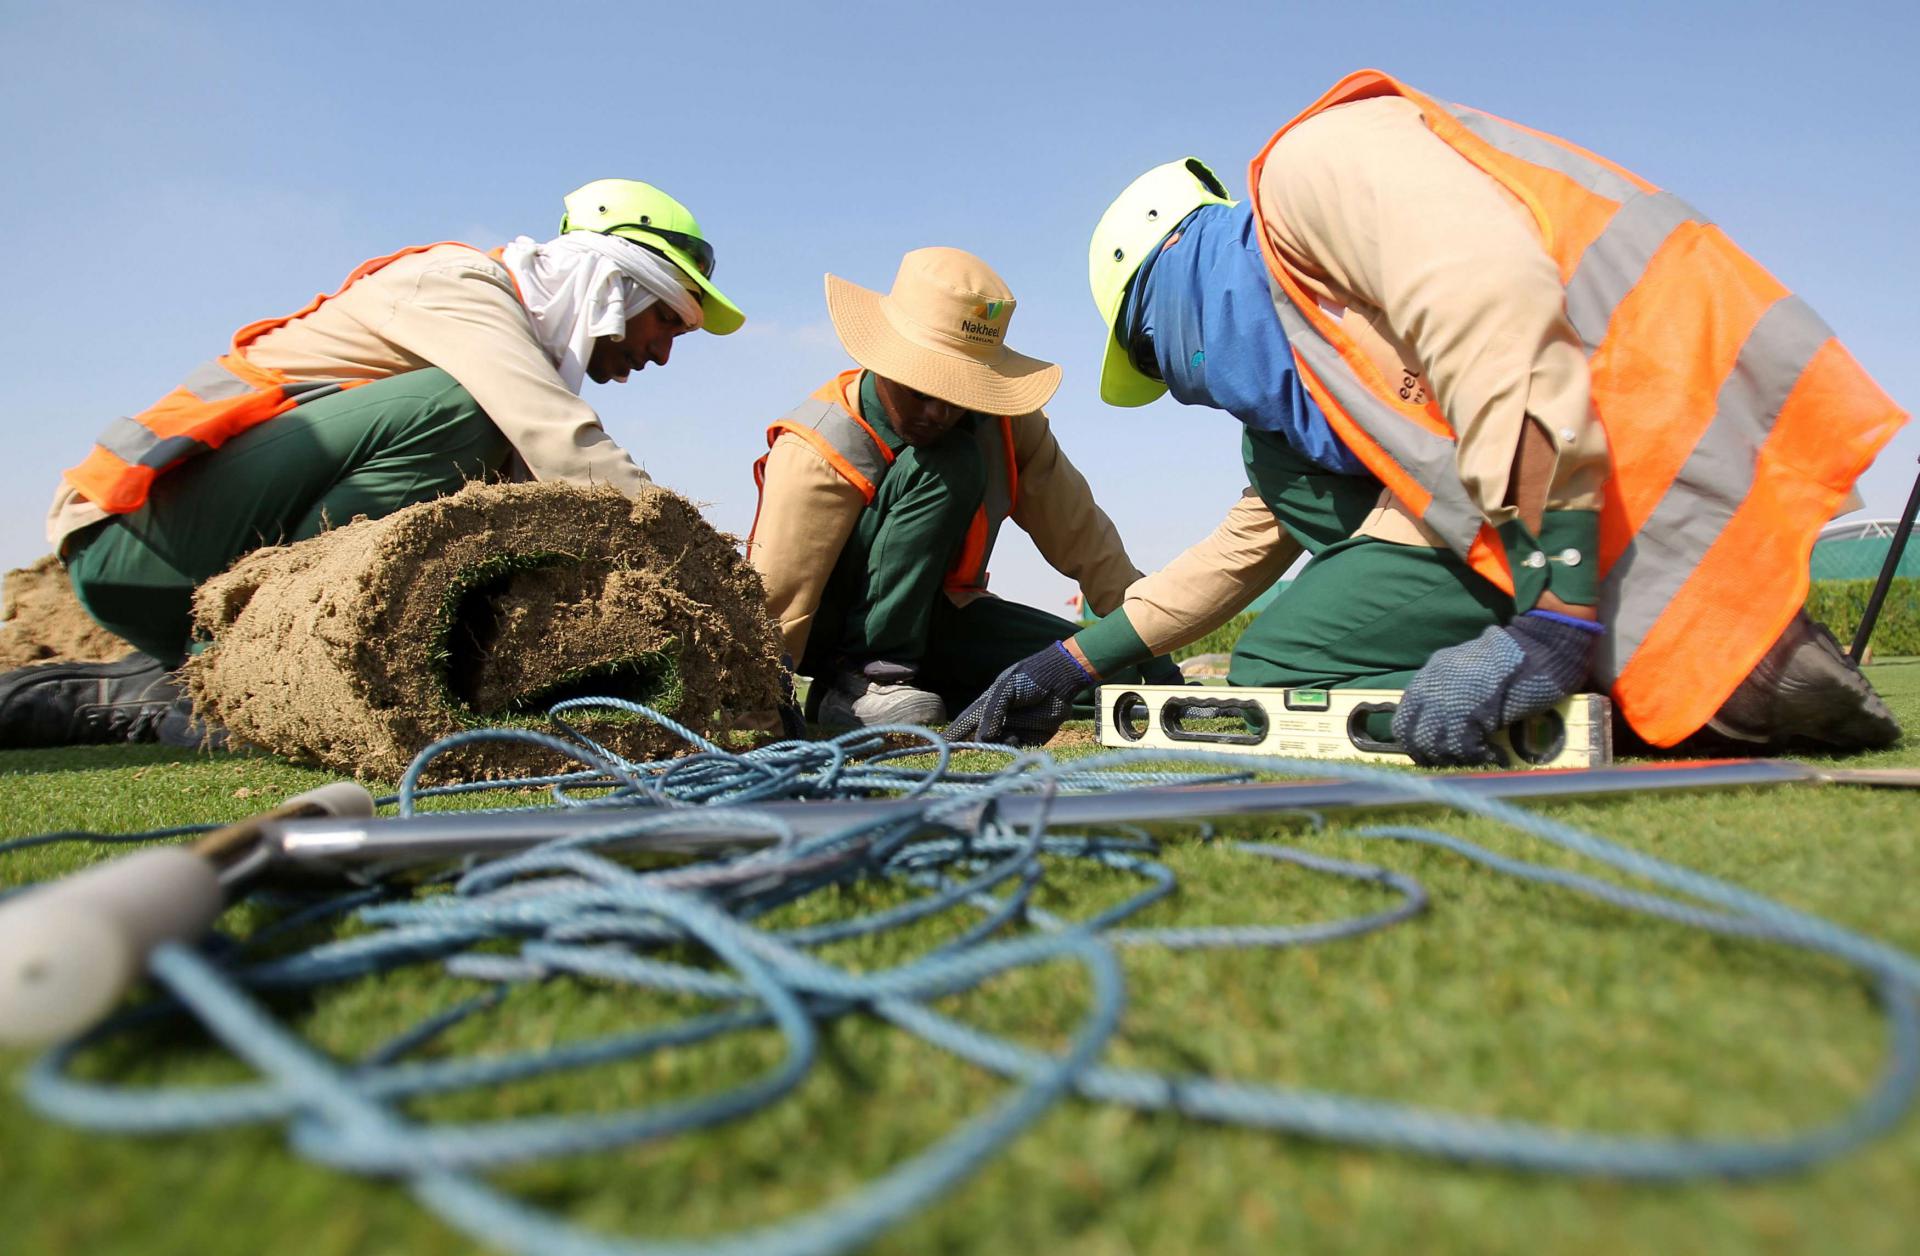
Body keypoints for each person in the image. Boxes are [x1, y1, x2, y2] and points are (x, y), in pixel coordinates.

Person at [950, 69, 1906, 760]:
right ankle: (1683, 684)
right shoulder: (1327, 376)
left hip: (1641, 440)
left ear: (1175, 292)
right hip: (1621, 503)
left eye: (1160, 358)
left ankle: (1585, 670)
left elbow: (1487, 300)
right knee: (1281, 522)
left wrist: (1558, 609)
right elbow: (1234, 554)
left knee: (1279, 666)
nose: (1185, 389)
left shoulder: (1309, 169)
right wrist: (1068, 663)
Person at [0, 179, 745, 748]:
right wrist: (719, 577)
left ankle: (168, 684)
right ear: (612, 286)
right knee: (468, 410)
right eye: (665, 321)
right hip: (137, 532)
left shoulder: (506, 337)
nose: (660, 351)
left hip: (180, 548)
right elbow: (564, 444)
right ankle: (240, 658)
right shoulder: (459, 289)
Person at [746, 246, 1181, 728]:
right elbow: (774, 601)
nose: (938, 413)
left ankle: (940, 696)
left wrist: (1151, 645)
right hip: (833, 639)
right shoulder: (820, 444)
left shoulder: (1009, 427)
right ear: (884, 359)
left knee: (1096, 673)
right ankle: (863, 681)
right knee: (950, 461)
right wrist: (761, 717)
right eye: (921, 392)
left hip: (942, 618)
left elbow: (1084, 537)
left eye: (958, 394)